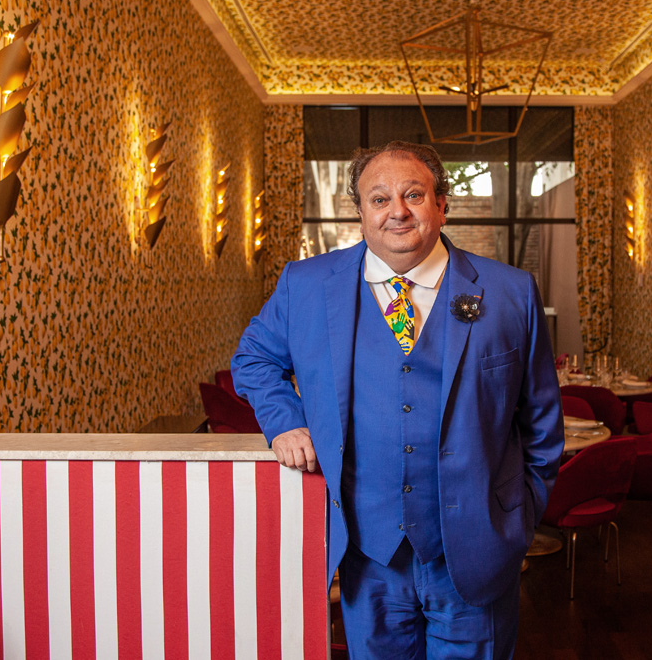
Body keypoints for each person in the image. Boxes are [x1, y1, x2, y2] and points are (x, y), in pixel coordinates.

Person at [232, 140, 563, 659]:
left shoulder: (510, 292)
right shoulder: (306, 284)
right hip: (368, 556)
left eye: (413, 194)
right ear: (360, 211)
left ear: (441, 205)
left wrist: (518, 518)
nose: (398, 212)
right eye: (379, 199)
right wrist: (284, 421)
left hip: (479, 549)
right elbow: (252, 359)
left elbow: (542, 422)